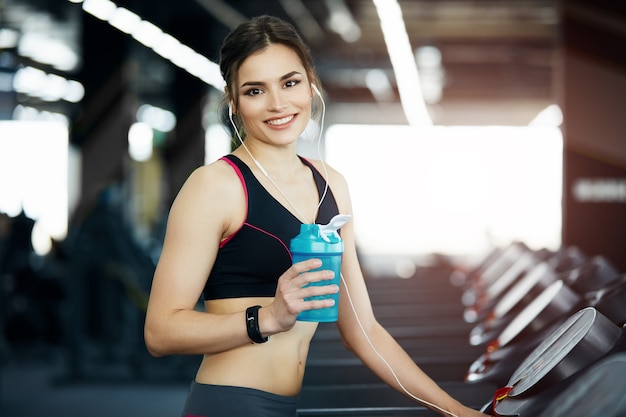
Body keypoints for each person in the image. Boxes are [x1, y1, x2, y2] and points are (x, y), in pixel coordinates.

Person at [144, 15, 486, 417]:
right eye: (256, 90)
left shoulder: (332, 186)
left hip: (287, 407)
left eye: (290, 83)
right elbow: (161, 332)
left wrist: (454, 411)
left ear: (311, 84)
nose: (278, 103)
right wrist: (267, 317)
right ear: (234, 102)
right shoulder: (214, 186)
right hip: (229, 404)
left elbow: (363, 331)